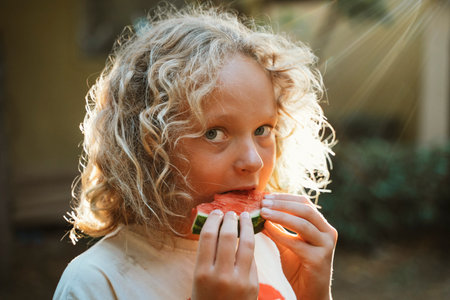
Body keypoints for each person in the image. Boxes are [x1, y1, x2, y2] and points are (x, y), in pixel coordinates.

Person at [54, 4, 337, 300]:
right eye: (214, 133)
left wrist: (312, 295)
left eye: (262, 130)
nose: (252, 161)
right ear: (149, 145)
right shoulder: (96, 281)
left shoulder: (271, 250)